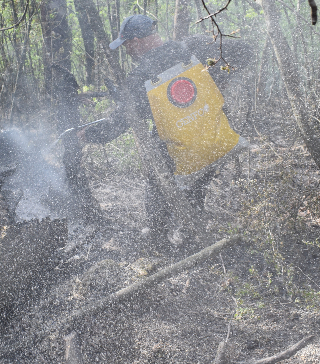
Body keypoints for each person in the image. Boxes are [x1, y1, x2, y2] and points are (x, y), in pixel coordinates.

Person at [80, 14, 254, 241]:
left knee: (158, 180)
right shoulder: (193, 47)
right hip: (216, 140)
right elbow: (246, 51)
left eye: (128, 46)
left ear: (137, 41)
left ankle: (157, 236)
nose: (128, 52)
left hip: (182, 149)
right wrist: (220, 77)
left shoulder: (140, 77)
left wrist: (87, 134)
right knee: (196, 181)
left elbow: (119, 123)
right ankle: (191, 231)